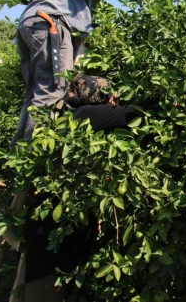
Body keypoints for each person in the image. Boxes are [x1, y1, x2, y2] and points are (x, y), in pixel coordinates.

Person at [23, 75, 155, 301]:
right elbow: (132, 112)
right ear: (94, 95)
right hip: (56, 215)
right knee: (47, 285)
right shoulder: (86, 115)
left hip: (62, 207)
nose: (112, 99)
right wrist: (170, 102)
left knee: (59, 275)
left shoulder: (67, 116)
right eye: (108, 94)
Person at [12, 0, 123, 144]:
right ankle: (39, 157)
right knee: (53, 91)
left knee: (34, 94)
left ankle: (20, 156)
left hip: (33, 23)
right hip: (51, 24)